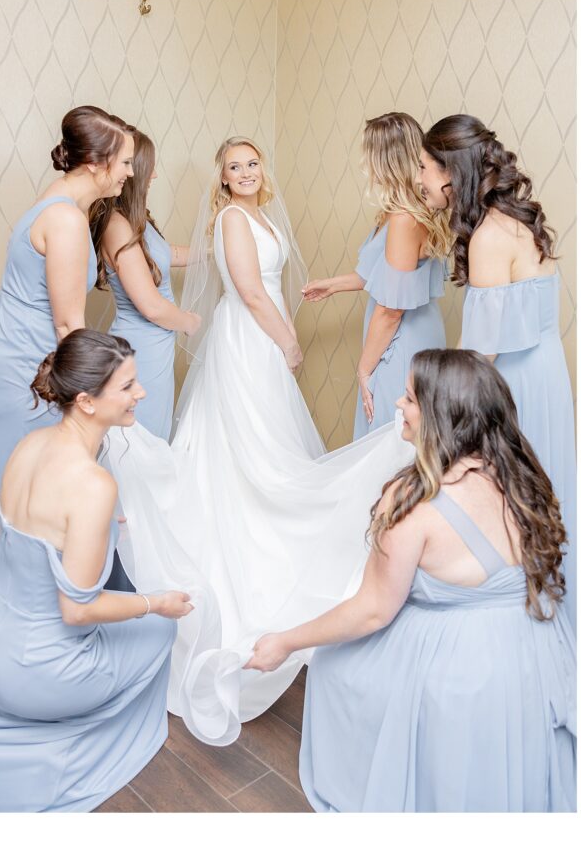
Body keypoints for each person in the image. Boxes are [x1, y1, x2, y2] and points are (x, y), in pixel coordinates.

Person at [103, 136, 414, 746]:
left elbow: (264, 288)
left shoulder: (260, 215)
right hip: (249, 342)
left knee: (267, 447)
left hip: (258, 339)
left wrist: (284, 331)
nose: (246, 173)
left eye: (252, 163)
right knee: (252, 454)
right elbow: (248, 292)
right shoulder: (231, 219)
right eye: (234, 167)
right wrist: (289, 342)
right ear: (220, 179)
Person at [246, 349, 577, 812]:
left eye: (408, 398)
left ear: (443, 415)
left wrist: (286, 641)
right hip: (535, 653)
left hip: (465, 672)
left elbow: (373, 610)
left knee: (336, 667)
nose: (399, 406)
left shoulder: (413, 501)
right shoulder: (521, 476)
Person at [0, 330, 192, 813]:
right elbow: (77, 609)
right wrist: (157, 603)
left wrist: (99, 528)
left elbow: (28, 541)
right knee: (161, 632)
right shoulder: (93, 484)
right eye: (128, 386)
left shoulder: (29, 445)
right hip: (38, 671)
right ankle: (56, 756)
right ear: (87, 401)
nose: (142, 393)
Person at [0, 106, 135, 653]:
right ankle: (23, 645)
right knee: (22, 504)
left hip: (5, 368)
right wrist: (96, 397)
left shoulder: (52, 201)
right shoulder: (64, 220)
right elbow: (68, 326)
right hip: (25, 379)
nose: (130, 173)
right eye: (126, 162)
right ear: (100, 163)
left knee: (6, 499)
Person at [419, 114, 576, 629]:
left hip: (514, 384)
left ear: (451, 171)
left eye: (423, 167)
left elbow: (479, 355)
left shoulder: (488, 235)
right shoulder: (519, 219)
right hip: (545, 371)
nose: (419, 179)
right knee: (546, 498)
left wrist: (431, 406)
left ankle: (525, 629)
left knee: (513, 507)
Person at [303, 113, 450, 439]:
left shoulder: (403, 218)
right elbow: (387, 276)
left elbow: (391, 309)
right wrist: (334, 285)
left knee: (388, 441)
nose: (364, 164)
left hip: (401, 341)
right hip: (416, 331)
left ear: (386, 159)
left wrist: (364, 368)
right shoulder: (411, 210)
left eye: (369, 154)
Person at [90, 127, 201, 441]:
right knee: (142, 439)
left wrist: (215, 251)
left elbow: (165, 256)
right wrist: (189, 322)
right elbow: (151, 306)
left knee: (155, 435)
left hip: (156, 348)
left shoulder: (136, 219)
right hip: (141, 349)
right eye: (149, 166)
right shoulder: (116, 225)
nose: (154, 175)